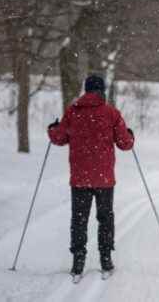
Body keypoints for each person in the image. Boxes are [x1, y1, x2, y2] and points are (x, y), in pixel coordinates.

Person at [47, 75, 135, 278]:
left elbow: (59, 138)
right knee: (105, 218)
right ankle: (106, 260)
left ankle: (78, 262)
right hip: (104, 179)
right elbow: (125, 144)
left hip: (80, 178)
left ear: (86, 90)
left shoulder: (73, 111)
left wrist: (52, 129)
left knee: (79, 220)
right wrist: (130, 135)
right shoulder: (111, 113)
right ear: (101, 90)